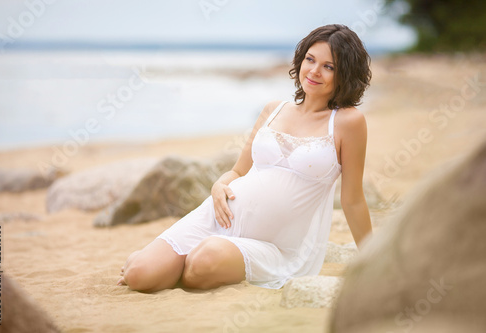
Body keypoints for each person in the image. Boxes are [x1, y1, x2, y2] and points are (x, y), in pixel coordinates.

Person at [117, 24, 373, 292]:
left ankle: (176, 266)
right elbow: (238, 171)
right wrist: (219, 184)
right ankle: (152, 263)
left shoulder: (348, 122)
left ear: (344, 73)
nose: (314, 71)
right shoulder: (273, 110)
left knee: (202, 264)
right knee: (139, 276)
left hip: (274, 247)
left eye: (328, 66)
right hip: (217, 217)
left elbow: (352, 199)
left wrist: (372, 258)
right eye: (310, 59)